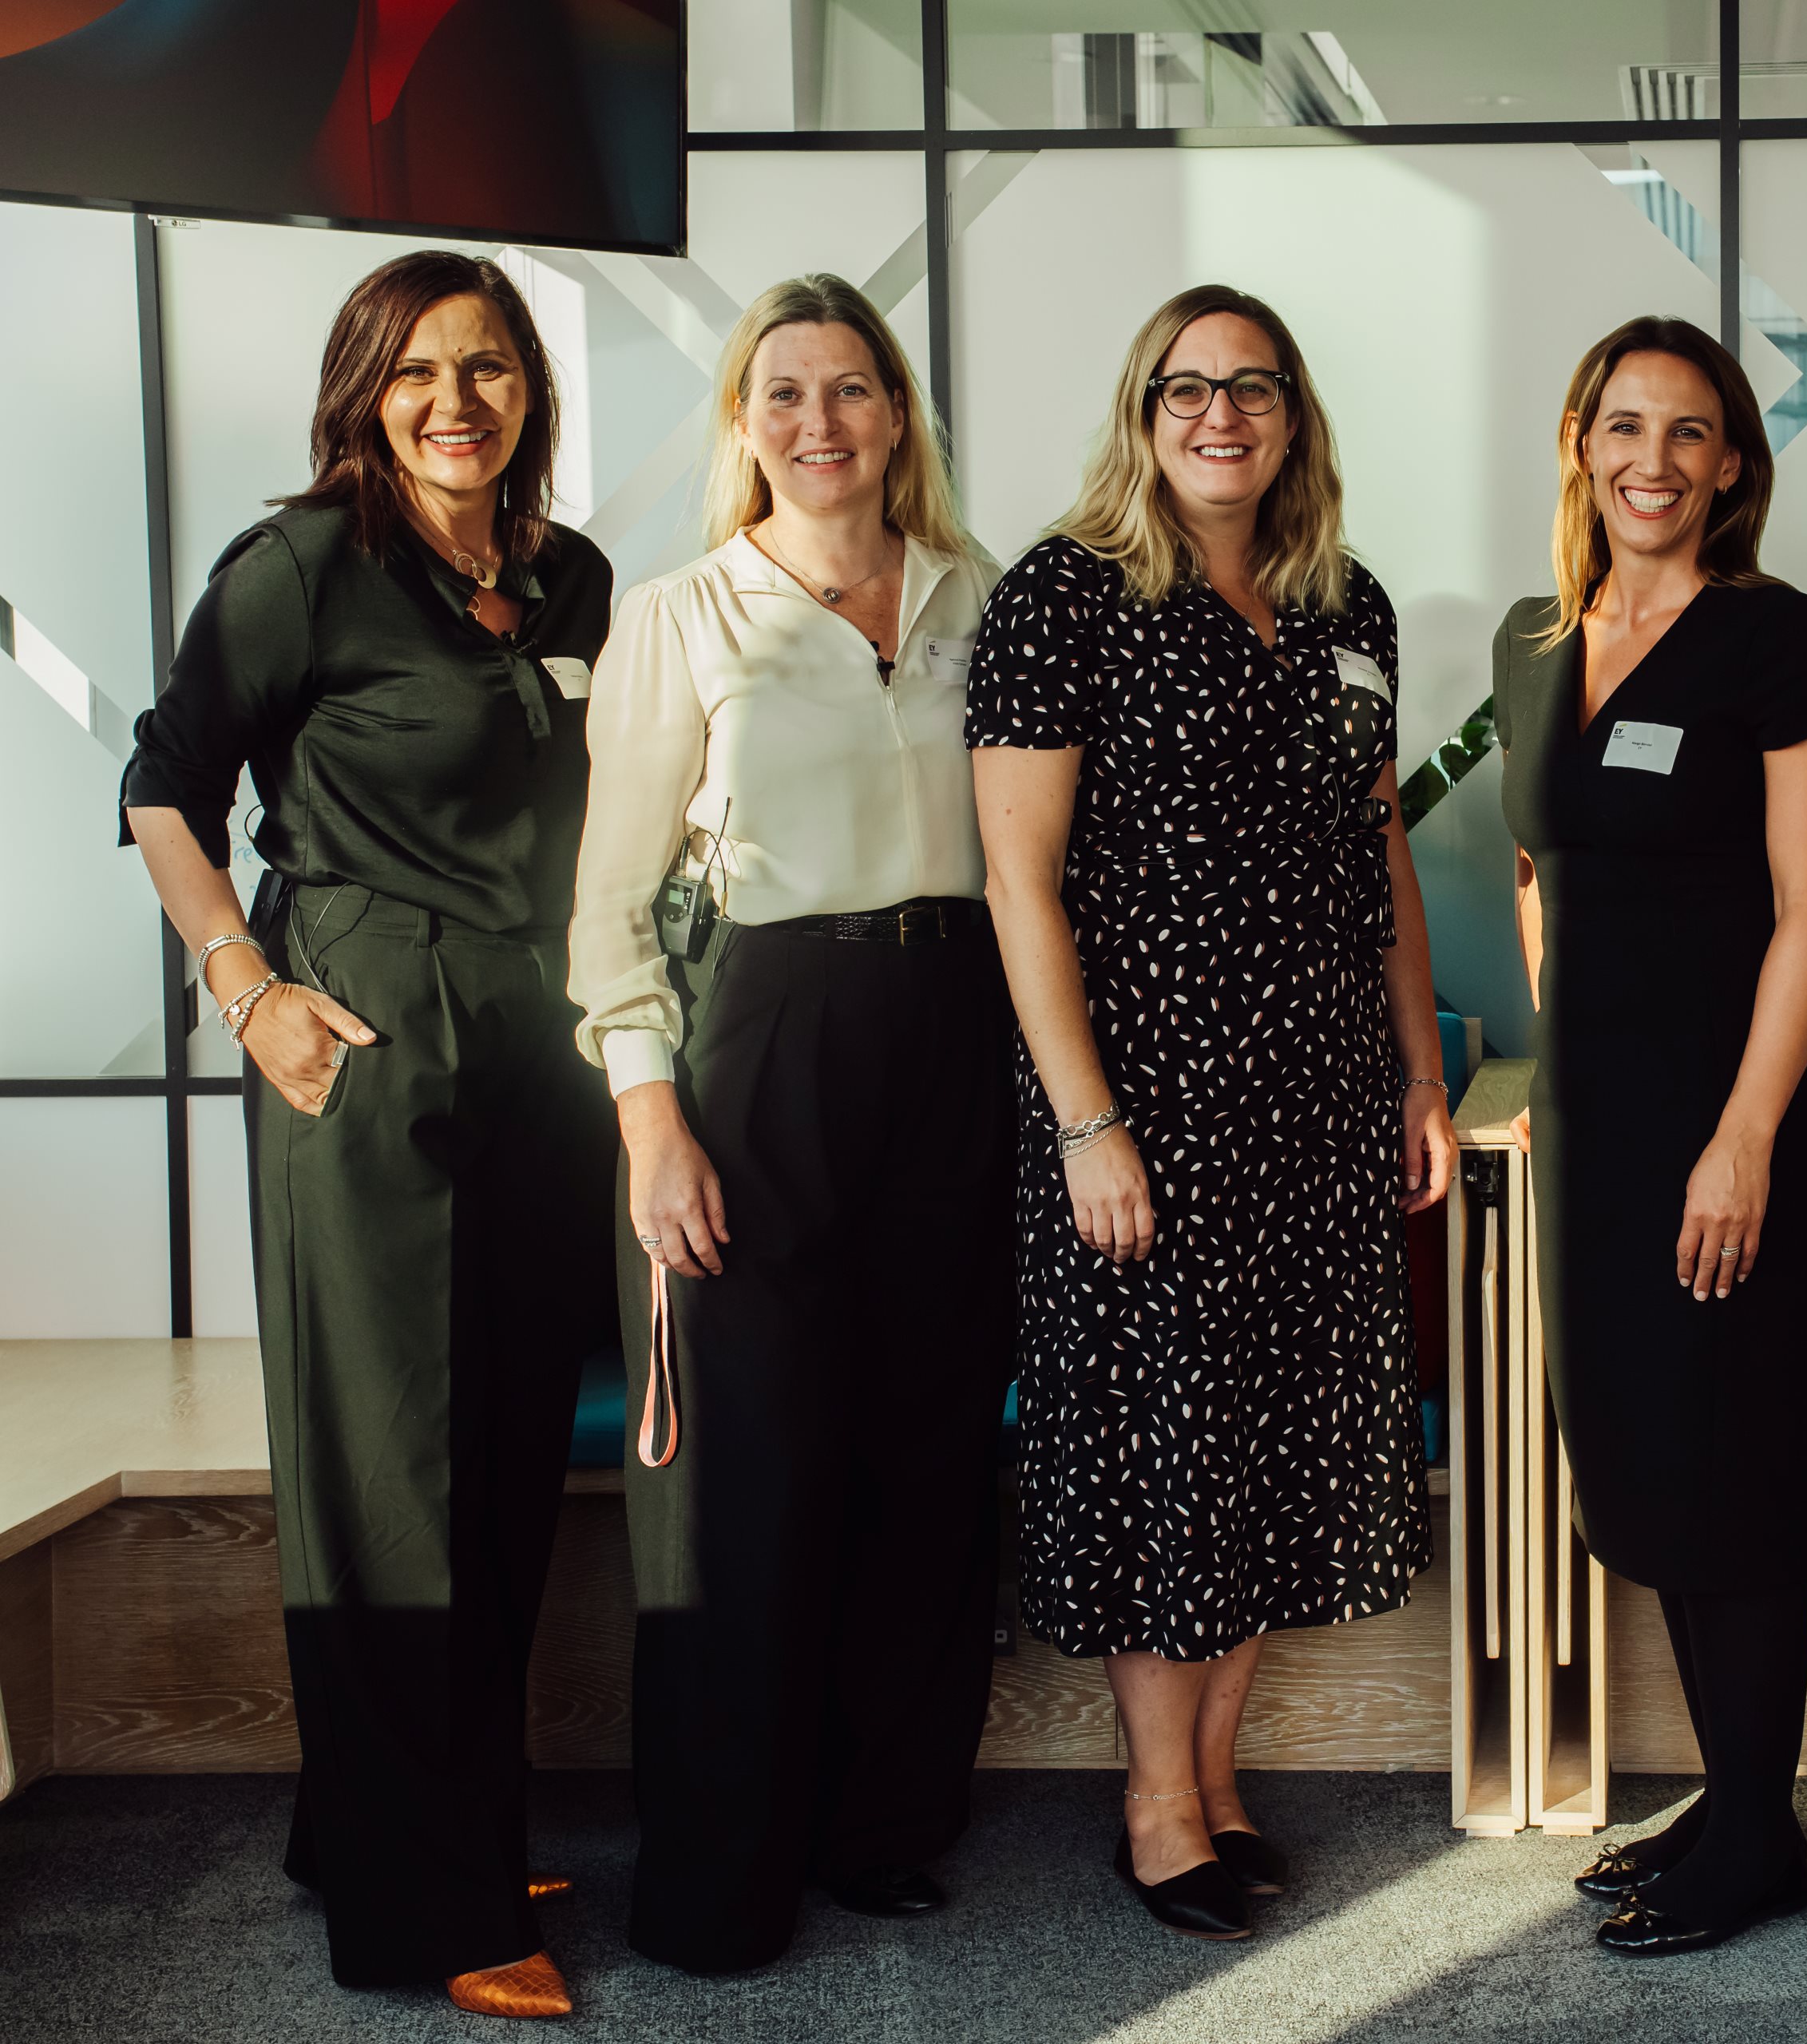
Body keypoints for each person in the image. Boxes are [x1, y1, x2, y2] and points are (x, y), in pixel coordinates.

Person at [119, 251, 613, 2018]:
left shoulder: (570, 579)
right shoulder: (301, 566)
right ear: (365, 389)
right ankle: (426, 1911)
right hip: (368, 1048)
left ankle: (405, 1819)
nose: (455, 400)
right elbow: (162, 782)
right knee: (391, 1474)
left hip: (543, 1061)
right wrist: (249, 992)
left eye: (487, 367)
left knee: (496, 1462)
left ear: (530, 393)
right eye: (417, 372)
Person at [966, 284, 1452, 1943]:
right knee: (1163, 1447)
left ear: (1294, 415)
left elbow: (1377, 850)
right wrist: (1087, 1121)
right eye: (1188, 387)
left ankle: (1223, 1770)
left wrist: (1419, 1074)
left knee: (1275, 1437)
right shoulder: (1065, 596)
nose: (1220, 414)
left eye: (1254, 387)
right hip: (1146, 1106)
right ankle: (1156, 1793)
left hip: (1315, 1098)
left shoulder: (1346, 602)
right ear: (1142, 410)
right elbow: (1019, 882)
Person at [566, 275, 1011, 1974]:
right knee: (743, 1481)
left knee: (922, 1455)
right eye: (782, 396)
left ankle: (884, 1823)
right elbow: (605, 908)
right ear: (745, 427)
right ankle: (718, 1875)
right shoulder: (685, 614)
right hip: (758, 1044)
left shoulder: (987, 602)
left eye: (849, 390)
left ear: (898, 413)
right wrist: (649, 1118)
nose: (817, 424)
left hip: (955, 1029)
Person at [1498, 315, 1807, 1958]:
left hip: (1735, 1123)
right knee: (1643, 1465)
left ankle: (1761, 1831)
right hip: (1596, 1124)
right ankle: (1734, 1795)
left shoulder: (1780, 638)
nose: (1653, 458)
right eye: (1624, 424)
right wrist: (1560, 1056)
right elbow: (1534, 873)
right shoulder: (1534, 641)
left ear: (1732, 463)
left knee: (1732, 1473)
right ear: (1582, 440)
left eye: (1689, 431)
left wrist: (1745, 1136)